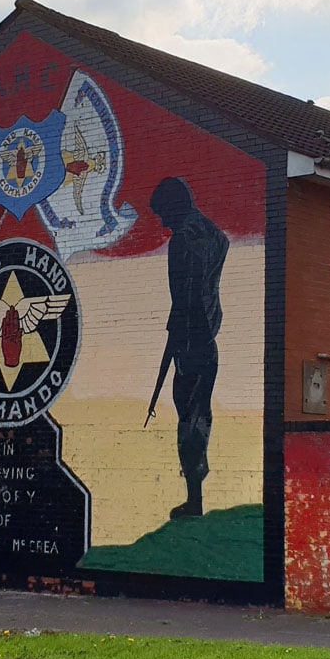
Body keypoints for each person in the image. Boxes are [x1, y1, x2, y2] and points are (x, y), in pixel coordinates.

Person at [145, 177, 228, 518]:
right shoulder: (215, 235)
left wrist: (176, 345)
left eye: (164, 214)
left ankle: (194, 501)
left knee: (189, 422)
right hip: (208, 338)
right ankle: (196, 497)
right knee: (200, 416)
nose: (163, 223)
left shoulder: (182, 243)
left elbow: (185, 300)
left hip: (190, 342)